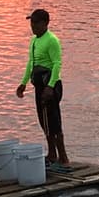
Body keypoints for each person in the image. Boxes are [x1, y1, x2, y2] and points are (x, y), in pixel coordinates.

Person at [15, 9, 67, 165]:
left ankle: (63, 156)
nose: (33, 26)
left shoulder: (52, 40)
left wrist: (50, 87)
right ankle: (52, 153)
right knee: (43, 120)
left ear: (45, 23)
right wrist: (23, 83)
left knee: (54, 120)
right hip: (39, 85)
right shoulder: (34, 41)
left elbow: (57, 64)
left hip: (50, 85)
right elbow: (31, 63)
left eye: (36, 22)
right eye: (32, 22)